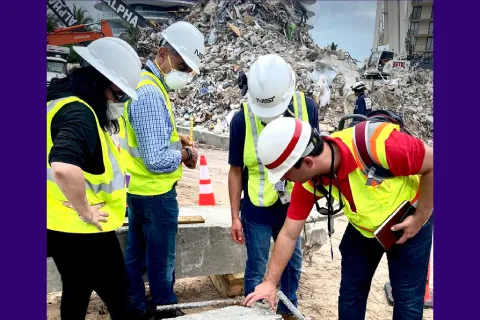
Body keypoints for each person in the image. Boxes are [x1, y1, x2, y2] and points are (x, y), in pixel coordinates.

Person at [244, 117, 433, 320]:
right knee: (350, 297)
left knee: (407, 302)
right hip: (363, 229)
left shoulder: (378, 145)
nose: (283, 180)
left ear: (307, 162)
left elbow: (433, 163)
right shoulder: (310, 181)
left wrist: (420, 217)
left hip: (408, 225)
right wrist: (270, 282)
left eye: (284, 174)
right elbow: (289, 233)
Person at [47, 37, 142, 320]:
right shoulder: (80, 113)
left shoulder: (57, 102)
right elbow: (63, 166)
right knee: (118, 295)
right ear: (99, 83)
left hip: (58, 224)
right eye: (119, 95)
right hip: (83, 230)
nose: (120, 103)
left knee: (76, 289)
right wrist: (84, 209)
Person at [119, 21, 205, 319]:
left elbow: (147, 144)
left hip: (140, 190)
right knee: (160, 260)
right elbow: (155, 160)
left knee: (137, 255)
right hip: (155, 194)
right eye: (182, 66)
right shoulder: (151, 94)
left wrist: (174, 140)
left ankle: (135, 306)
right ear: (162, 54)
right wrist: (185, 153)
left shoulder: (145, 84)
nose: (185, 74)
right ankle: (164, 308)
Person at [228, 54, 319, 320]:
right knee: (256, 266)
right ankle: (254, 313)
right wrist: (235, 216)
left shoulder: (308, 108)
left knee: (292, 262)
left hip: (293, 202)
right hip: (257, 205)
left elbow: (315, 159)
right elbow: (235, 171)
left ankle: (288, 309)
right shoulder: (241, 120)